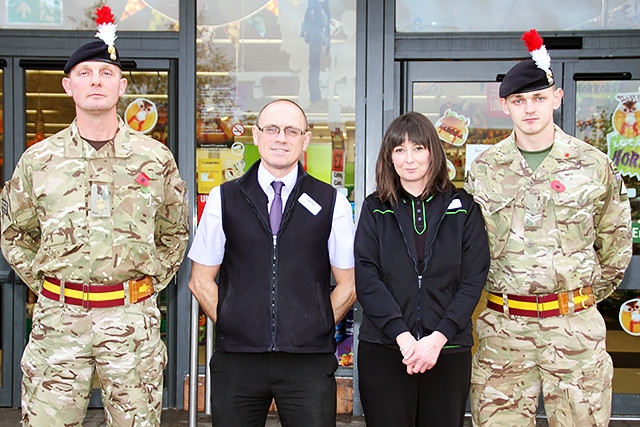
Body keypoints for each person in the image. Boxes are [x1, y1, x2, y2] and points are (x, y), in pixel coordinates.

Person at [0, 6, 189, 427]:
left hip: (132, 321)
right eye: (85, 74)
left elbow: (175, 232)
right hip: (58, 322)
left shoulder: (154, 159)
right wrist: (51, 283)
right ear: (68, 86)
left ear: (122, 86)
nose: (96, 82)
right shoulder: (39, 160)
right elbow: (15, 233)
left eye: (106, 74)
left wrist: (143, 285)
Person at [465, 29, 632, 427]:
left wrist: (576, 297)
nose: (530, 109)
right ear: (504, 106)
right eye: (519, 100)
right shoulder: (485, 170)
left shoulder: (592, 164)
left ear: (557, 98)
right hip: (504, 330)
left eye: (539, 98)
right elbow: (469, 251)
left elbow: (616, 244)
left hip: (574, 331)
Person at [188, 98, 356, 427]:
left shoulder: (330, 201)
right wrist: (235, 322)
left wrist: (317, 325)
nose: (281, 138)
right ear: (256, 135)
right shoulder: (224, 197)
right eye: (272, 129)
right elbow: (199, 280)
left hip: (307, 363)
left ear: (305, 139)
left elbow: (349, 285)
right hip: (238, 360)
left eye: (292, 130)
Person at [354, 111, 490, 427]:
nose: (409, 159)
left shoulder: (463, 207)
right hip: (386, 349)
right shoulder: (375, 208)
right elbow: (367, 275)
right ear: (389, 156)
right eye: (399, 150)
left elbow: (473, 278)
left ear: (433, 151)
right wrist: (403, 337)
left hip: (448, 349)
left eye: (418, 148)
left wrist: (438, 337)